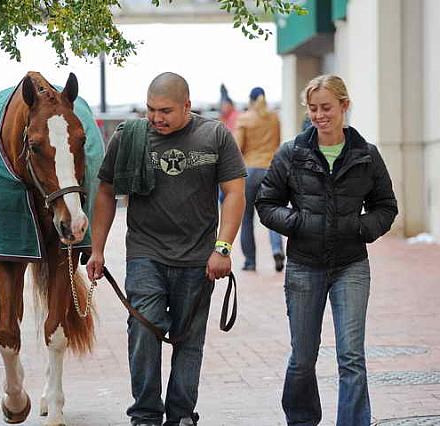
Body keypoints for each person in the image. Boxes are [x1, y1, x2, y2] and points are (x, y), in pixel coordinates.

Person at [86, 72, 246, 426]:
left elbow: (234, 193)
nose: (156, 118)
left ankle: (181, 415)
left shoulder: (214, 135)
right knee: (143, 329)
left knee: (189, 341)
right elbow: (105, 192)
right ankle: (145, 414)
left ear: (187, 105)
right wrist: (96, 249)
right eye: (151, 109)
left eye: (165, 111)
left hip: (198, 258)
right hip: (146, 253)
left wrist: (223, 248)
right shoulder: (130, 137)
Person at [255, 74, 398, 425]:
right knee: (303, 357)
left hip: (351, 265)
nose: (320, 115)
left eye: (327, 108)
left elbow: (386, 206)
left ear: (344, 106)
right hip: (304, 265)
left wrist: (361, 228)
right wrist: (299, 223)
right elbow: (266, 202)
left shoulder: (366, 155)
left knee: (351, 356)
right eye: (314, 109)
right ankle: (302, 420)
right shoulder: (292, 153)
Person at [233, 86, 284, 272]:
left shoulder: (244, 119)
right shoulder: (273, 118)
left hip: (250, 170)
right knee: (274, 214)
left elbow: (237, 147)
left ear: (250, 99)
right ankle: (277, 249)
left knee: (246, 218)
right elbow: (277, 143)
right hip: (270, 169)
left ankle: (250, 261)